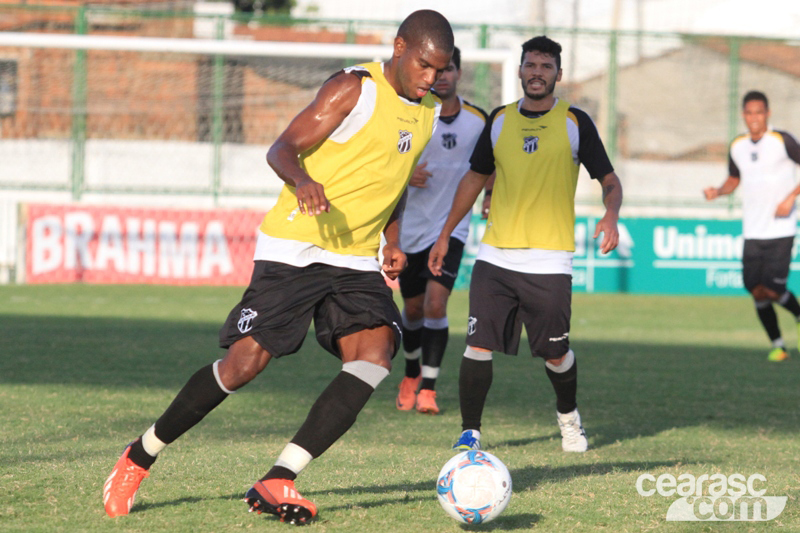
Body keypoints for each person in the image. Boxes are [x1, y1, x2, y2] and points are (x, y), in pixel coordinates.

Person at [102, 10, 453, 525]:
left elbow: (393, 179)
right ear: (400, 47)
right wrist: (302, 181)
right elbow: (282, 147)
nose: (430, 79)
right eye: (424, 66)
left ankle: (279, 477)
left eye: (439, 71)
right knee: (243, 365)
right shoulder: (353, 89)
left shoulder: (427, 111)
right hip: (296, 246)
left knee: (376, 352)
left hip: (353, 258)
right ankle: (140, 455)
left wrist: (391, 237)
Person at [429, 35, 622, 454]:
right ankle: (470, 432)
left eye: (546, 67)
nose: (537, 73)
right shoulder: (498, 120)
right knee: (478, 345)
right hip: (496, 255)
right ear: (519, 70)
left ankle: (569, 418)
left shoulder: (575, 122)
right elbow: (475, 178)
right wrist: (445, 234)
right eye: (530, 65)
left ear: (558, 74)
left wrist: (610, 214)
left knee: (555, 355)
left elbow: (609, 179)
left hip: (550, 261)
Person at [395, 46, 488, 415]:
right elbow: (386, 159)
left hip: (451, 228)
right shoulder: (414, 115)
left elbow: (490, 161)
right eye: (438, 69)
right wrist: (404, 174)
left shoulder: (478, 121)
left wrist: (491, 193)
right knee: (414, 309)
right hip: (410, 228)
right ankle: (411, 372)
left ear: (459, 74)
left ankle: (429, 388)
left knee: (436, 303)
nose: (443, 75)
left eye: (449, 68)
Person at [703, 90, 800, 362]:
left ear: (767, 114)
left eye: (759, 112)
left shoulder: (782, 140)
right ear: (744, 115)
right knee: (755, 289)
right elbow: (734, 179)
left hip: (781, 229)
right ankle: (778, 346)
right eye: (749, 113)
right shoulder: (738, 146)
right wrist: (718, 191)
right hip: (753, 231)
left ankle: (799, 315)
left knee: (772, 288)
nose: (754, 118)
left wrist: (790, 197)